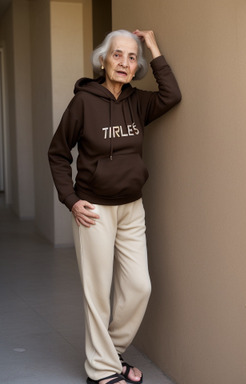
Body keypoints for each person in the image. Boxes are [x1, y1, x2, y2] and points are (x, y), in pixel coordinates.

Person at [48, 29, 181, 384]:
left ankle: (109, 351)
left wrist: (153, 47)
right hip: (94, 210)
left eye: (131, 57)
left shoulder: (138, 102)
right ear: (103, 59)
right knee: (98, 294)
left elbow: (171, 95)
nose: (124, 63)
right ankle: (101, 371)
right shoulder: (83, 103)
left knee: (140, 287)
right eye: (117, 55)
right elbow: (58, 153)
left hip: (131, 208)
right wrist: (72, 201)